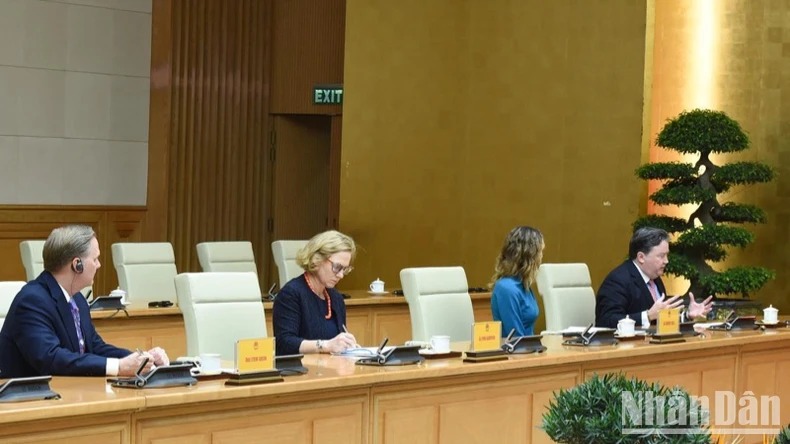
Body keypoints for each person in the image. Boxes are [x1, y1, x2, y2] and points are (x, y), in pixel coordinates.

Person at [0, 225, 169, 378]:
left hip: (65, 391)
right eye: (95, 259)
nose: (99, 265)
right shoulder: (32, 301)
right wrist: (118, 367)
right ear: (77, 264)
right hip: (27, 398)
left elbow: (95, 347)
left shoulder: (77, 299)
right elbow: (50, 358)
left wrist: (142, 360)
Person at [595, 227, 714, 329]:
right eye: (661, 256)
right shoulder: (618, 280)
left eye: (667, 255)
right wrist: (647, 316)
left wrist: (687, 315)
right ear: (641, 257)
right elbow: (606, 321)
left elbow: (659, 319)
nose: (666, 261)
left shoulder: (655, 278)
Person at [272, 230, 358, 356]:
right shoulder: (291, 293)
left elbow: (337, 344)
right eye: (337, 267)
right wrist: (326, 345)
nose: (340, 275)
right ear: (317, 259)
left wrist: (346, 345)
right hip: (300, 367)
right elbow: (284, 343)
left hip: (329, 366)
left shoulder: (336, 298)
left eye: (345, 269)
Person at [490, 226, 543, 337]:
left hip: (528, 346)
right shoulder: (506, 288)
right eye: (540, 252)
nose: (541, 256)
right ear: (530, 255)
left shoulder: (524, 284)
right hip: (514, 347)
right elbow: (516, 337)